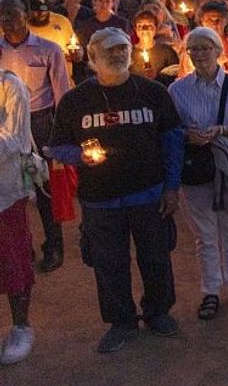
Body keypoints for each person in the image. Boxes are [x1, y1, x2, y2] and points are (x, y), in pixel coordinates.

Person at [46, 27, 183, 354]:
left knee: (156, 257)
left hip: (149, 194)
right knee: (109, 264)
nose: (119, 55)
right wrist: (79, 156)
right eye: (110, 51)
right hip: (100, 199)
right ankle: (121, 322)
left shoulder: (152, 92)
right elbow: (55, 147)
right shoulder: (75, 100)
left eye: (123, 48)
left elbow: (173, 139)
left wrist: (172, 187)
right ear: (92, 57)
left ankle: (158, 312)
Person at [169, 27, 228, 321]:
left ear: (218, 51)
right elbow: (170, 131)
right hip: (197, 169)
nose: (199, 54)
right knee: (205, 234)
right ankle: (210, 290)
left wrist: (223, 130)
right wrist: (187, 135)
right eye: (193, 49)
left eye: (205, 47)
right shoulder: (177, 89)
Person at [0, 0, 71, 272]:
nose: (6, 21)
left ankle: (54, 246)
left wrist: (61, 131)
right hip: (7, 126)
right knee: (12, 188)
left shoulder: (49, 49)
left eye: (11, 14)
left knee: (45, 188)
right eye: (2, 16)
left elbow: (61, 93)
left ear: (26, 13)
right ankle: (21, 248)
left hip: (41, 123)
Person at [0, 61, 36, 365]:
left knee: (12, 260)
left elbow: (15, 138)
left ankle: (21, 326)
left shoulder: (10, 86)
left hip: (5, 191)